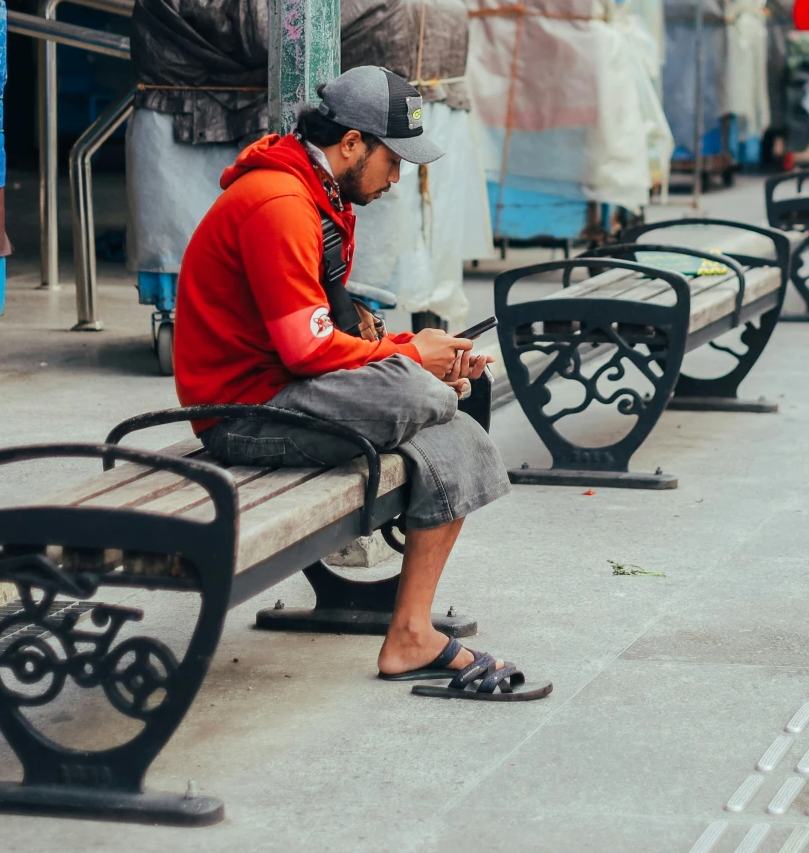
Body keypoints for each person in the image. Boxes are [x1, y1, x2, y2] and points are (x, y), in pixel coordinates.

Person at [170, 65, 547, 702]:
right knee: (420, 395)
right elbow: (305, 348)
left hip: (293, 391)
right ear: (351, 144)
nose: (397, 179)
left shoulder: (323, 194)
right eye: (392, 161)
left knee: (463, 440)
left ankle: (410, 634)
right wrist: (410, 359)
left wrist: (413, 357)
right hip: (245, 414)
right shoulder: (279, 203)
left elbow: (327, 334)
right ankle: (421, 385)